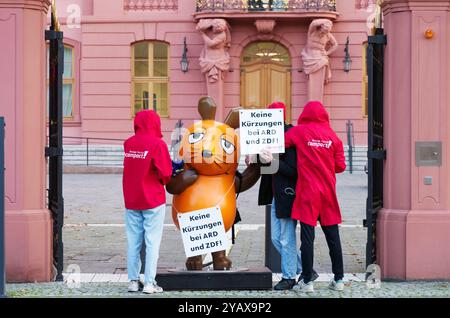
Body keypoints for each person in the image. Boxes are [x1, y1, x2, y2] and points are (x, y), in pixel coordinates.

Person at [285, 101, 346, 293]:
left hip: (308, 192)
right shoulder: (333, 137)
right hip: (328, 193)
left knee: (307, 239)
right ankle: (339, 280)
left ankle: (307, 282)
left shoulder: (300, 132)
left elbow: (281, 142)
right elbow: (341, 166)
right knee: (333, 238)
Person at [256, 102, 318, 290]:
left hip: (289, 195)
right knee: (276, 238)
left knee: (285, 238)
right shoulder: (268, 135)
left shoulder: (291, 135)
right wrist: (256, 158)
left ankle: (289, 276)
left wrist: (271, 161)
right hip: (276, 195)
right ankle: (305, 270)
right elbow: (267, 166)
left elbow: (293, 170)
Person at [122, 110, 172, 294]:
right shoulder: (158, 144)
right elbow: (166, 173)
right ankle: (150, 283)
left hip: (132, 199)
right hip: (153, 199)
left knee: (133, 241)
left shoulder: (128, 143)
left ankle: (133, 281)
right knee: (152, 241)